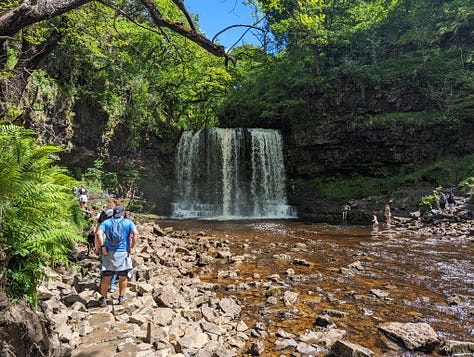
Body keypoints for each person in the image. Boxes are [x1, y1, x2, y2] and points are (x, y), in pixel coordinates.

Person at [96, 205, 138, 306]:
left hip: (109, 253)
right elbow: (135, 234)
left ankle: (104, 298)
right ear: (123, 213)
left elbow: (98, 233)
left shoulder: (106, 222)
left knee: (106, 277)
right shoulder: (128, 222)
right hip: (123, 253)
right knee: (123, 277)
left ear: (114, 213)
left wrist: (102, 247)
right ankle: (121, 297)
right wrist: (132, 247)